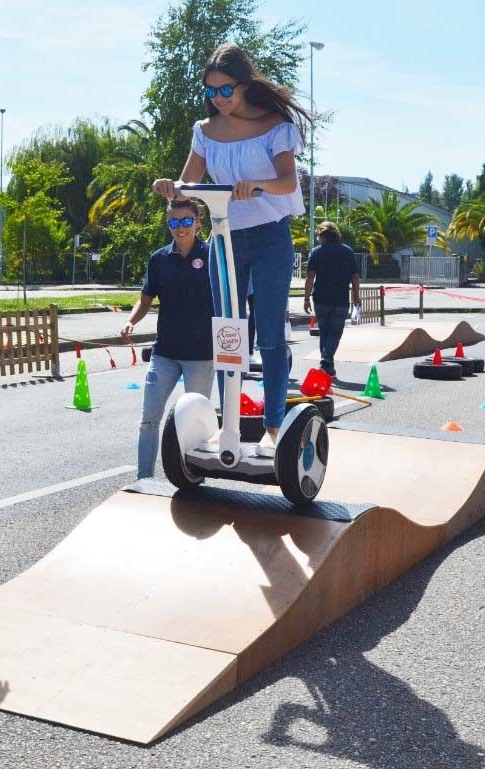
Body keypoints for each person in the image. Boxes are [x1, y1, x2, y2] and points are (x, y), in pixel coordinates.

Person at [153, 43, 311, 444]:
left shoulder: (275, 125)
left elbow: (288, 181)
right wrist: (170, 187)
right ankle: (229, 425)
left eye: (226, 90)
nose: (218, 99)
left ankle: (275, 424)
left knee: (271, 332)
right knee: (228, 331)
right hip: (224, 240)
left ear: (244, 86)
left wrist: (257, 185)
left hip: (271, 237)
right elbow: (186, 187)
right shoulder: (204, 133)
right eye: (211, 91)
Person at [120, 199, 215, 478]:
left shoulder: (212, 256)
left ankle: (192, 476)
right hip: (165, 353)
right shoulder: (159, 259)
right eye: (174, 222)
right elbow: (145, 300)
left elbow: (230, 300)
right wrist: (130, 321)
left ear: (198, 222)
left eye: (187, 221)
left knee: (194, 422)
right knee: (149, 419)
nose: (181, 228)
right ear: (168, 225)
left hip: (201, 355)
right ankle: (144, 479)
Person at [303, 221, 360, 378]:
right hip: (340, 300)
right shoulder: (347, 252)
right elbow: (355, 276)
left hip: (320, 298)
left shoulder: (316, 252)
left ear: (322, 236)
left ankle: (328, 367)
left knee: (325, 333)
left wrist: (306, 298)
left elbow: (310, 277)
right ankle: (326, 362)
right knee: (335, 333)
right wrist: (357, 296)